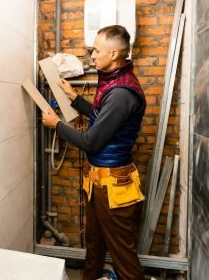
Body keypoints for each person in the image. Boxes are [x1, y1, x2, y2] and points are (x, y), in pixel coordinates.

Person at [42, 25, 145, 280]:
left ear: (113, 54)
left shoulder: (121, 93)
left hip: (114, 186)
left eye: (96, 51)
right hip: (99, 182)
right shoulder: (113, 82)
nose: (92, 56)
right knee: (95, 246)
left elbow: (91, 141)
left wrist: (57, 125)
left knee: (123, 257)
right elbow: (102, 118)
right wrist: (75, 97)